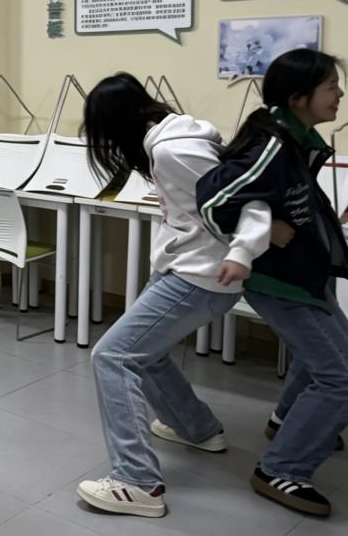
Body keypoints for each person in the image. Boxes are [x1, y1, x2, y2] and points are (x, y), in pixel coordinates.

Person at [74, 73, 289, 518]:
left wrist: (244, 249)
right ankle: (196, 427)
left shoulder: (173, 150)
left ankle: (137, 482)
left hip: (199, 276)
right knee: (146, 353)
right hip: (185, 267)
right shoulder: (172, 139)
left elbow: (239, 201)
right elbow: (206, 202)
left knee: (112, 357)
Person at [197, 49, 348, 517]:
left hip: (304, 273)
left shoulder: (295, 137)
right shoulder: (273, 144)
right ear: (299, 97)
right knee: (340, 376)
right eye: (331, 87)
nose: (340, 94)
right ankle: (282, 468)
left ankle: (287, 421)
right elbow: (212, 200)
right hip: (279, 281)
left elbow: (285, 196)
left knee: (332, 359)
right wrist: (252, 241)